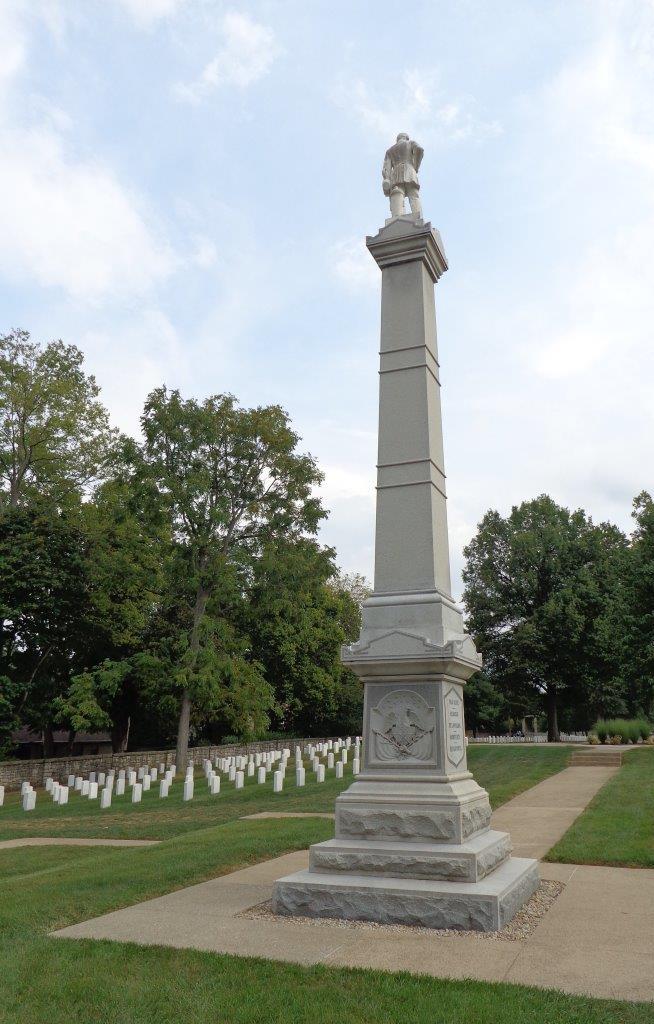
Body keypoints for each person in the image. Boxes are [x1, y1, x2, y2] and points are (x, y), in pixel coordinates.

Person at [382, 133, 424, 218]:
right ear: (406, 138)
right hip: (410, 170)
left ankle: (397, 217)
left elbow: (386, 168)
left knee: (397, 193)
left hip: (396, 173)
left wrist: (387, 179)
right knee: (413, 195)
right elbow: (420, 149)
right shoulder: (410, 143)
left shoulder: (390, 150)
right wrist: (416, 165)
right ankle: (418, 217)